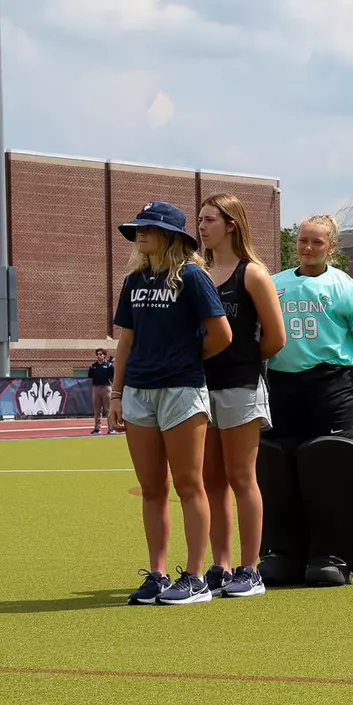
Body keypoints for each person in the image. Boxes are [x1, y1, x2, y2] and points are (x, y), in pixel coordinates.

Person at [110, 201, 232, 605]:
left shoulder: (193, 276)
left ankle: (195, 577)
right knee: (152, 487)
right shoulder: (134, 280)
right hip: (138, 392)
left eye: (148, 228)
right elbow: (126, 341)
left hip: (182, 390)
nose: (140, 234)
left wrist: (186, 359)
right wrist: (116, 393)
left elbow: (222, 334)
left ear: (171, 236)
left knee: (189, 484)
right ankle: (158, 575)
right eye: (138, 229)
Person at [263, 214, 353, 586]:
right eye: (303, 240)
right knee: (279, 469)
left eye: (317, 242)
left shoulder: (344, 286)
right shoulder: (275, 284)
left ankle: (331, 554)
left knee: (328, 469)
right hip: (282, 388)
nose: (308, 247)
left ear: (331, 246)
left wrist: (345, 368)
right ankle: (283, 553)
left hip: (331, 389)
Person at [195, 193, 285, 598]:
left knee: (242, 477)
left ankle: (251, 569)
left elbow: (276, 338)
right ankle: (221, 565)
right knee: (211, 480)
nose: (201, 227)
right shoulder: (196, 272)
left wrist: (242, 359)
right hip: (199, 388)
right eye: (200, 220)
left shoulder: (253, 274)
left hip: (241, 387)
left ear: (231, 224)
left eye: (210, 220)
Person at [87, 348, 114, 434]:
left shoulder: (109, 365)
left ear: (104, 355)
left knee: (108, 409)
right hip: (96, 388)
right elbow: (90, 377)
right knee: (97, 410)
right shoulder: (93, 366)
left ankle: (111, 428)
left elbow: (113, 377)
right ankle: (97, 428)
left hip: (106, 388)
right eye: (97, 354)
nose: (99, 356)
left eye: (100, 354)